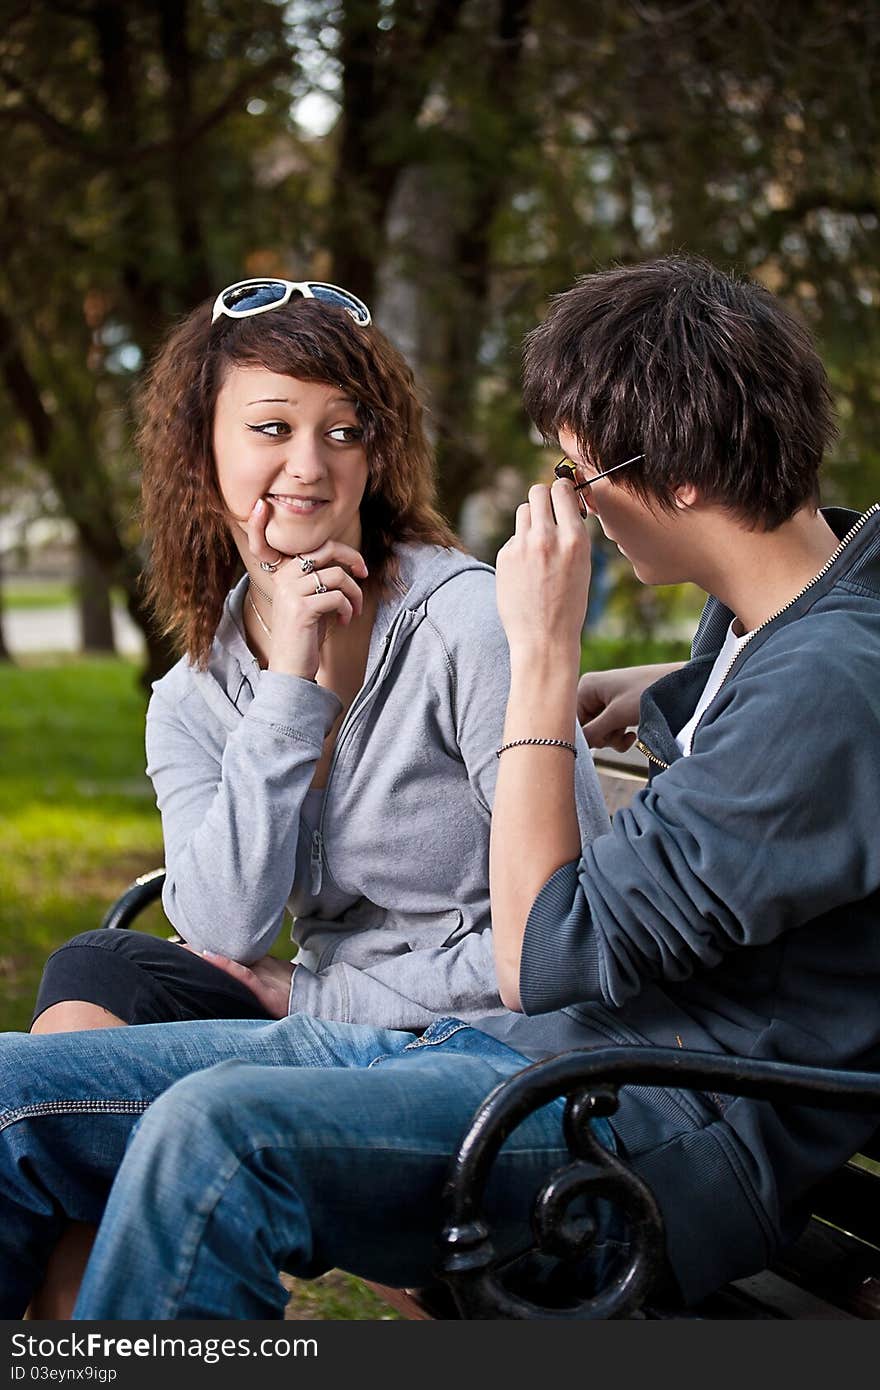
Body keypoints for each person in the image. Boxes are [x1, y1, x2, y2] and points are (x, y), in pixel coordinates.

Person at [2, 254, 879, 1320]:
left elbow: (549, 954)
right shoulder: (778, 619)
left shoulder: (826, 679)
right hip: (539, 1061)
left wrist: (542, 660)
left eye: (580, 471)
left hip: (645, 1117)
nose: (571, 503)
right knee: (14, 1092)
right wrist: (669, 683)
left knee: (214, 1130)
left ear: (683, 477)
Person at [16, 275, 609, 1316]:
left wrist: (327, 995)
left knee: (82, 1079)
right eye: (272, 426)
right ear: (203, 448)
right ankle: (73, 1317)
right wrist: (287, 688)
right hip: (330, 1030)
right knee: (81, 987)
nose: (309, 463)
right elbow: (221, 922)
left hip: (471, 1049)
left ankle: (86, 1316)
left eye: (344, 431)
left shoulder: (461, 627)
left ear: (377, 456)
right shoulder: (197, 692)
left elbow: (575, 929)